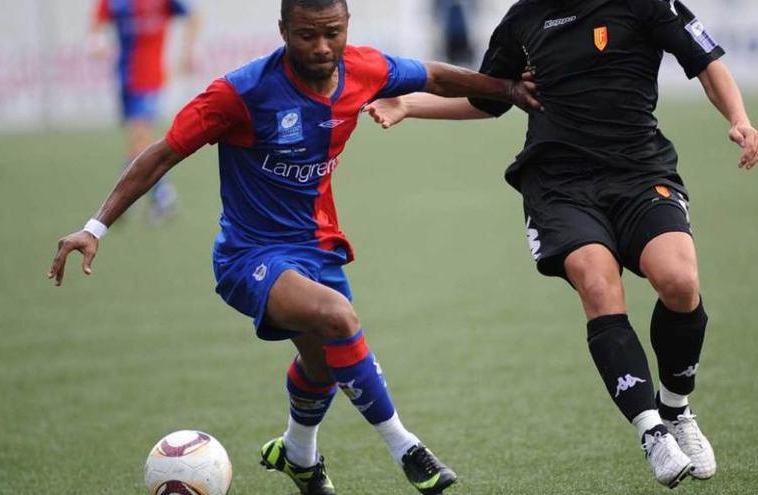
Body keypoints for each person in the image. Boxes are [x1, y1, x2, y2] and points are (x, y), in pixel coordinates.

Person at [50, 1, 539, 494]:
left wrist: (508, 89)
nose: (322, 47)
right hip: (250, 256)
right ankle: (406, 446)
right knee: (338, 318)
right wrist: (95, 228)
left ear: (347, 25)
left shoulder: (366, 69)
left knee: (323, 364)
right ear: (283, 31)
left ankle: (299, 455)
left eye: (332, 32)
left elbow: (433, 75)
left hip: (317, 247)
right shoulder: (240, 93)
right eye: (307, 35)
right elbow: (160, 155)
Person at [367, 0, 758, 488]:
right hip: (560, 184)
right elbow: (489, 99)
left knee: (680, 282)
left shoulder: (645, 4)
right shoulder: (523, 19)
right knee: (598, 285)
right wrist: (409, 104)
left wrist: (740, 118)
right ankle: (651, 431)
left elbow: (705, 62)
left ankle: (677, 409)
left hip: (640, 172)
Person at [90, 0, 200, 222]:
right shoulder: (116, 3)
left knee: (140, 141)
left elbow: (194, 16)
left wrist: (187, 52)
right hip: (125, 78)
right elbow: (98, 23)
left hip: (150, 79)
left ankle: (159, 198)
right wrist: (97, 43)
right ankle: (129, 200)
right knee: (137, 144)